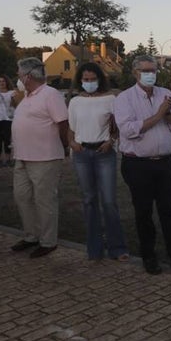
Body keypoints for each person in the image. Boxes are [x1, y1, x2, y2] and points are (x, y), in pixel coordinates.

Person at [114, 56, 171, 274]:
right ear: (135, 73)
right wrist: (158, 114)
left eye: (153, 70)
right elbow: (129, 130)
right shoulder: (125, 98)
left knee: (168, 210)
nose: (151, 74)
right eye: (145, 70)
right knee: (143, 212)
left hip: (164, 164)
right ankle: (149, 256)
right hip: (137, 164)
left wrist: (167, 113)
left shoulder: (166, 94)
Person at [68, 62, 128, 261]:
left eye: (93, 79)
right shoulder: (75, 101)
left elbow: (118, 125)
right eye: (86, 80)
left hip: (104, 153)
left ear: (100, 79)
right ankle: (94, 247)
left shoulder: (111, 99)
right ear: (80, 80)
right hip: (82, 154)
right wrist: (71, 142)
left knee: (109, 201)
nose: (90, 82)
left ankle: (117, 247)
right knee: (89, 200)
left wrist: (111, 141)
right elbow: (71, 128)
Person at [10, 57, 69, 259]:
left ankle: (48, 241)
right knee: (22, 197)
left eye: (19, 73)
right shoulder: (27, 96)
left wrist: (65, 147)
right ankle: (31, 235)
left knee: (44, 201)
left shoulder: (50, 94)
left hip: (45, 158)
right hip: (22, 157)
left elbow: (62, 123)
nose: (17, 77)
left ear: (27, 76)